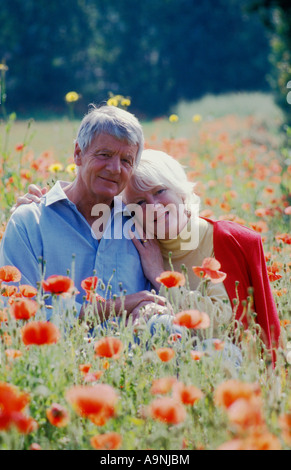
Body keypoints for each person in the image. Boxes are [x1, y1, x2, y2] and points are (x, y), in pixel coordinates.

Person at [13, 149, 281, 365]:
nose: (153, 206)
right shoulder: (133, 243)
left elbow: (222, 320)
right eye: (140, 202)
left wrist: (158, 277)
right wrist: (39, 209)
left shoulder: (225, 241)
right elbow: (82, 202)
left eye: (160, 191)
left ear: (182, 192)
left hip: (230, 366)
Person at [0, 105, 167, 322]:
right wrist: (113, 308)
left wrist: (159, 282)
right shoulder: (30, 222)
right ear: (78, 154)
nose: (115, 168)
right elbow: (15, 310)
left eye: (126, 160)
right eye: (104, 155)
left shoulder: (141, 224)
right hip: (53, 353)